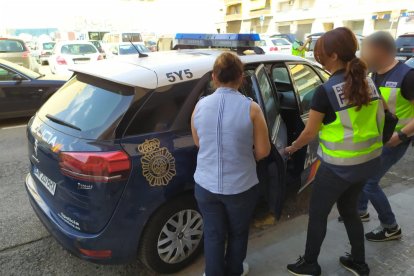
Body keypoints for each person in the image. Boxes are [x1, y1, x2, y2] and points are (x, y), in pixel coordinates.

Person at [285, 27, 385, 276]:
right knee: (350, 210)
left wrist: (291, 148)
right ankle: (359, 262)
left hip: (337, 167)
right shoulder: (368, 82)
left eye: (319, 53)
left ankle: (310, 263)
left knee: (318, 214)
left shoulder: (326, 91)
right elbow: (381, 119)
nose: (317, 57)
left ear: (332, 55)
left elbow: (309, 133)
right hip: (367, 163)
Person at [191, 52, 270, 276]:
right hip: (241, 186)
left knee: (213, 233)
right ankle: (234, 270)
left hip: (205, 185)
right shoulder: (252, 108)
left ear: (214, 77)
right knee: (237, 232)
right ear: (241, 78)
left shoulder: (199, 106)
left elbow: (199, 143)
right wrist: (243, 157)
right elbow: (263, 151)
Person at [356, 31, 414, 242]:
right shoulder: (375, 74)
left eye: (367, 50)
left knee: (370, 183)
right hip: (378, 138)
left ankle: (391, 227)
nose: (363, 54)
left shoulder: (407, 76)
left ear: (380, 51)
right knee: (364, 176)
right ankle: (360, 211)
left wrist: (399, 136)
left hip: (395, 140)